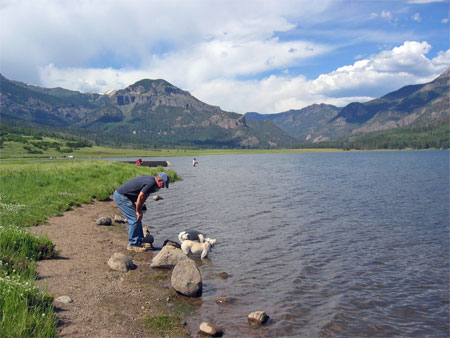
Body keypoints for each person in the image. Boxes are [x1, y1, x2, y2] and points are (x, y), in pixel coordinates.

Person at [113, 172, 170, 252]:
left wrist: (139, 210)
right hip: (121, 196)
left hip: (125, 196)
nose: (163, 187)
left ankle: (139, 241)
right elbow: (141, 196)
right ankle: (133, 245)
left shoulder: (152, 181)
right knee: (134, 219)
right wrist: (138, 211)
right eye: (163, 184)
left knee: (138, 218)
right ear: (159, 180)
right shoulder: (151, 183)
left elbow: (143, 197)